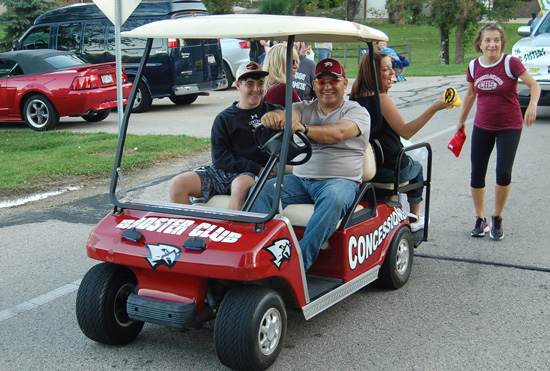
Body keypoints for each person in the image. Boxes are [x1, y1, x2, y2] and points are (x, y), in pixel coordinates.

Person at [251, 58, 370, 271]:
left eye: (333, 81)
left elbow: (339, 132)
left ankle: (296, 268)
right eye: (321, 82)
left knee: (333, 199)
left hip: (339, 181)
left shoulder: (356, 112)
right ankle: (256, 255)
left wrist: (304, 129)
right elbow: (286, 114)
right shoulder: (302, 107)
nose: (327, 86)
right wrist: (272, 116)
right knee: (261, 189)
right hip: (301, 181)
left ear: (345, 83)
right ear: (314, 85)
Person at [349, 51, 451, 231]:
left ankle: (393, 212)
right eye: (386, 70)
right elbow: (406, 130)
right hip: (389, 168)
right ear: (372, 73)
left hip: (366, 168)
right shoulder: (382, 99)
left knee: (402, 164)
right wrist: (434, 108)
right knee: (416, 168)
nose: (392, 73)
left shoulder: (354, 98)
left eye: (392, 68)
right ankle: (416, 218)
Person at [456, 24, 540, 240]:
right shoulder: (474, 66)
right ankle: (480, 218)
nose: (492, 44)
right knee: (477, 172)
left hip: (509, 126)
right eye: (487, 40)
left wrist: (532, 105)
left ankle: (497, 218)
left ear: (502, 42)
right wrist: (462, 120)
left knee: (503, 172)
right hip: (482, 125)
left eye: (496, 40)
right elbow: (471, 94)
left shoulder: (510, 62)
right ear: (480, 43)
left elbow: (534, 85)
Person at [168, 62, 281, 210]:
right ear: (238, 85)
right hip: (223, 172)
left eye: (260, 83)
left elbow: (293, 117)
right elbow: (219, 157)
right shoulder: (224, 118)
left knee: (240, 185)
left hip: (250, 175)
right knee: (177, 184)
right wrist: (255, 168)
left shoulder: (274, 112)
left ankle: (231, 229)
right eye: (249, 84)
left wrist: (258, 169)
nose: (256, 89)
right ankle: (187, 229)